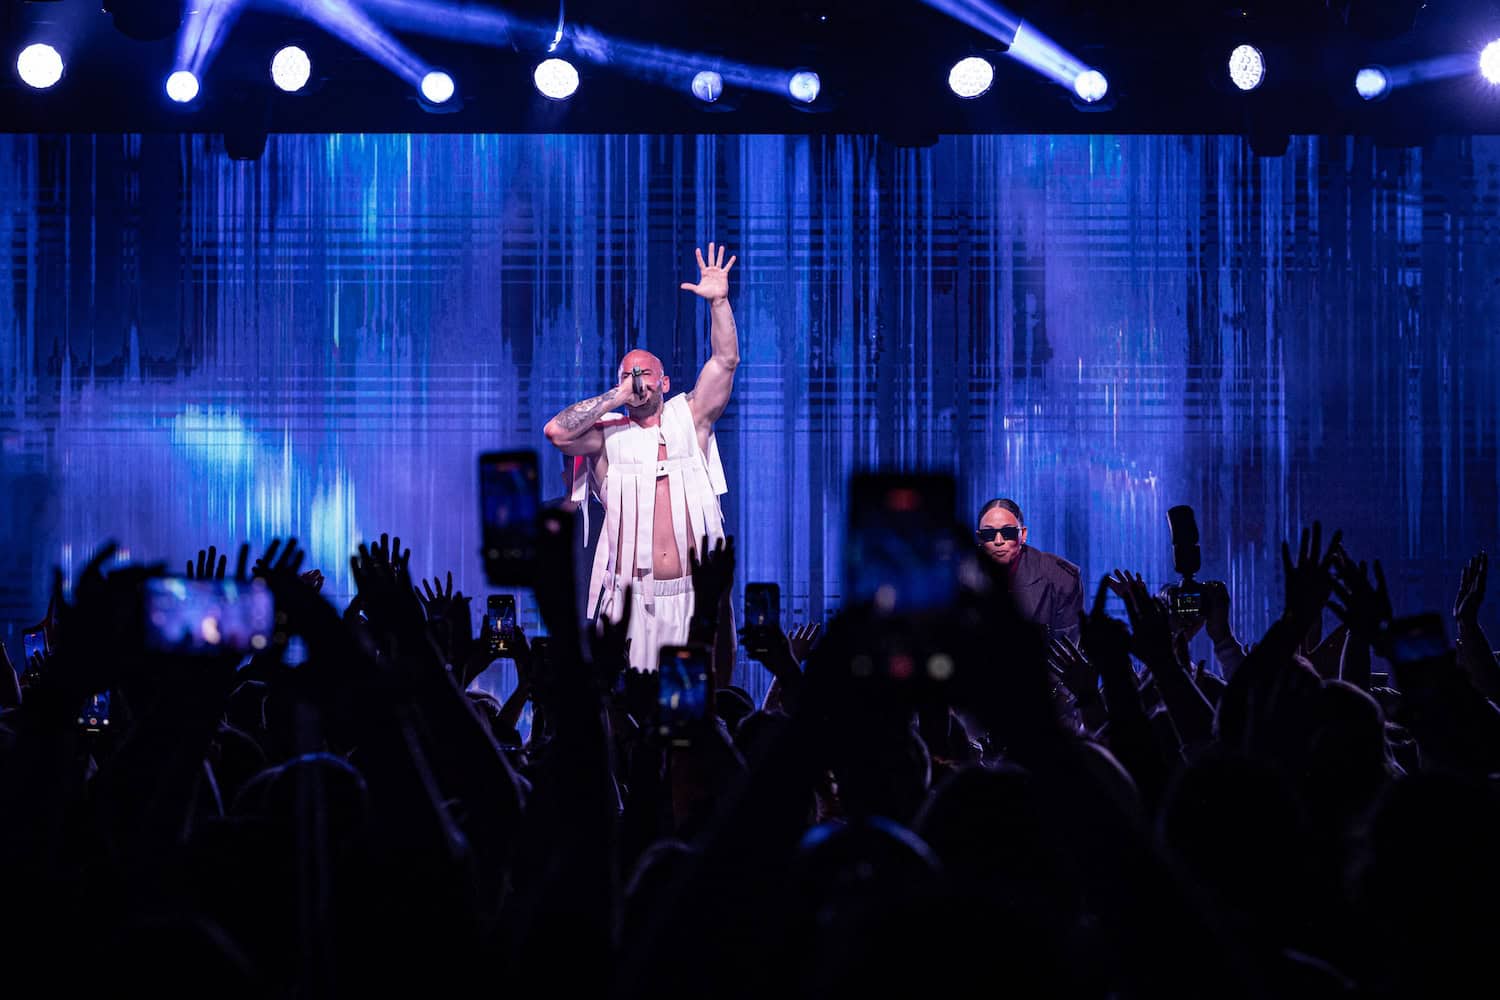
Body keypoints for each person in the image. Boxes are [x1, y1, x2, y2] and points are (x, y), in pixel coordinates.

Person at [543, 243, 739, 671]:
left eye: (644, 373)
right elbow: (556, 432)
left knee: (701, 699)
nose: (636, 381)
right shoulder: (606, 436)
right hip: (631, 602)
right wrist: (616, 395)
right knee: (629, 703)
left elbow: (725, 361)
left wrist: (719, 303)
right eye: (627, 375)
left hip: (692, 598)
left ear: (664, 381)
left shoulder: (692, 417)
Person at [975, 497, 1082, 644]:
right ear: (979, 538)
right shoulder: (960, 578)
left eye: (1008, 532)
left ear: (1023, 534)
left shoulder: (1061, 578)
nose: (998, 541)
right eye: (989, 534)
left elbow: (1065, 649)